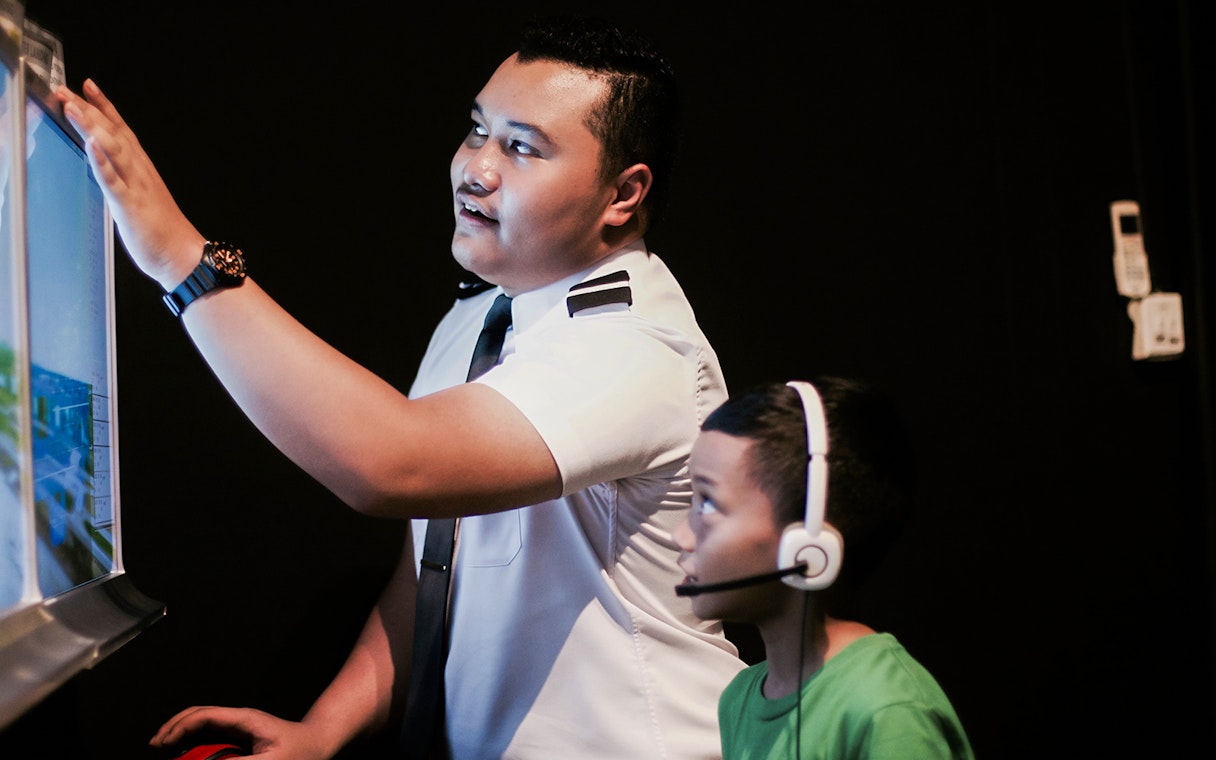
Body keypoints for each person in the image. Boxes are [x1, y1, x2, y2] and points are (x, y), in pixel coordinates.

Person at [55, 15, 745, 760]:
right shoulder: (481, 315)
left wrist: (181, 259)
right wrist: (321, 731)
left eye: (521, 147)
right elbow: (434, 569)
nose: (475, 169)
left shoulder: (636, 346)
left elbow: (390, 466)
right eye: (478, 130)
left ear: (623, 192)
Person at [673, 378, 974, 759]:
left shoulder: (883, 708)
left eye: (709, 504)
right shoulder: (740, 698)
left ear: (809, 545)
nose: (681, 536)